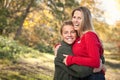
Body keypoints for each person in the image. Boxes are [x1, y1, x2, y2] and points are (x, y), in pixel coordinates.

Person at [63, 6, 106, 80]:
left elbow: (95, 62)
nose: (75, 20)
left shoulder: (89, 36)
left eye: (79, 18)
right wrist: (59, 45)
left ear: (86, 20)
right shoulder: (79, 37)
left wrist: (71, 59)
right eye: (74, 17)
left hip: (94, 77)